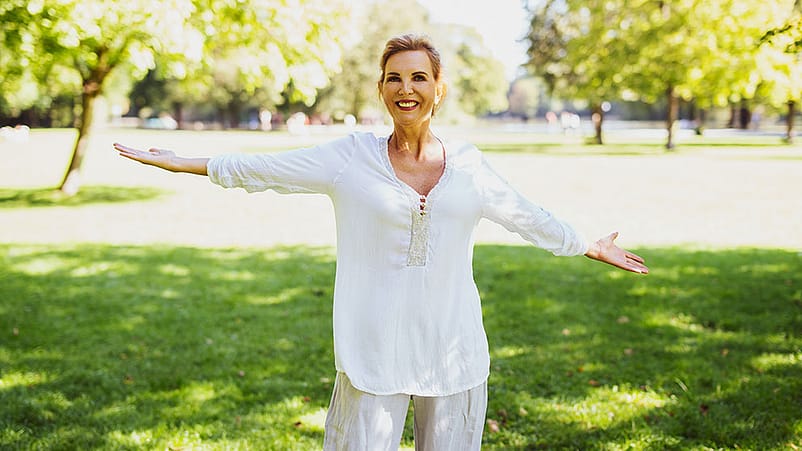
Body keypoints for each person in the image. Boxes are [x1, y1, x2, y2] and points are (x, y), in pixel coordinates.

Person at [114, 33, 648, 451]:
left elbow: (526, 216)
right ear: (381, 89)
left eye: (419, 77)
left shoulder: (469, 166)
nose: (405, 88)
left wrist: (586, 244)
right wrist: (181, 160)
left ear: (439, 88)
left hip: (451, 345)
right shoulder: (349, 156)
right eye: (394, 78)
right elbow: (263, 168)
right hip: (372, 348)